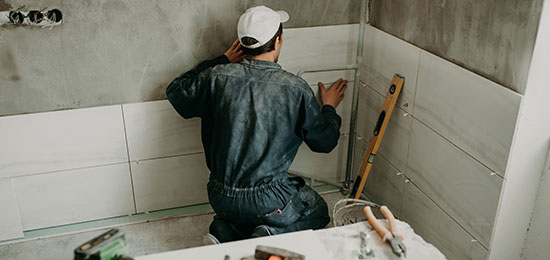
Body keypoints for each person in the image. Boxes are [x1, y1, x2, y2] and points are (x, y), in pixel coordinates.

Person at [166, 5, 348, 244]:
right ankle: (271, 234)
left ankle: (225, 230)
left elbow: (176, 92)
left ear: (242, 44)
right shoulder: (294, 88)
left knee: (247, 211)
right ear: (278, 41)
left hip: (220, 196)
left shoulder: (216, 77)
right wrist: (329, 108)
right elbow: (325, 142)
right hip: (268, 201)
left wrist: (222, 60)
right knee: (317, 210)